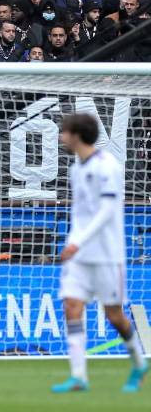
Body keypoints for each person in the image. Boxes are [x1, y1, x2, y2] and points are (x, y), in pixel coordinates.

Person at [52, 113, 147, 393]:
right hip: (79, 255)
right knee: (71, 306)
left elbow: (107, 211)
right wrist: (74, 242)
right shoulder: (75, 168)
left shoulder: (108, 166)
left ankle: (139, 363)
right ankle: (78, 375)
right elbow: (81, 213)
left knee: (114, 316)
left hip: (107, 254)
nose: (60, 136)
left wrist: (77, 241)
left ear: (76, 135)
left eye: (64, 131)